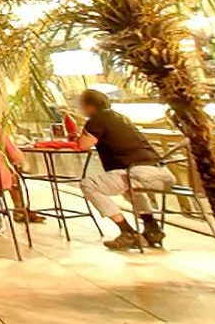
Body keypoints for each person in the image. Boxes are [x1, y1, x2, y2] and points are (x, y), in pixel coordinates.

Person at [74, 89, 176, 250]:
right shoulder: (122, 118)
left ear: (90, 106)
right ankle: (152, 228)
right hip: (161, 174)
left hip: (137, 172)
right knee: (129, 188)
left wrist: (77, 135)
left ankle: (127, 232)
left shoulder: (97, 120)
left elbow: (83, 144)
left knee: (89, 185)